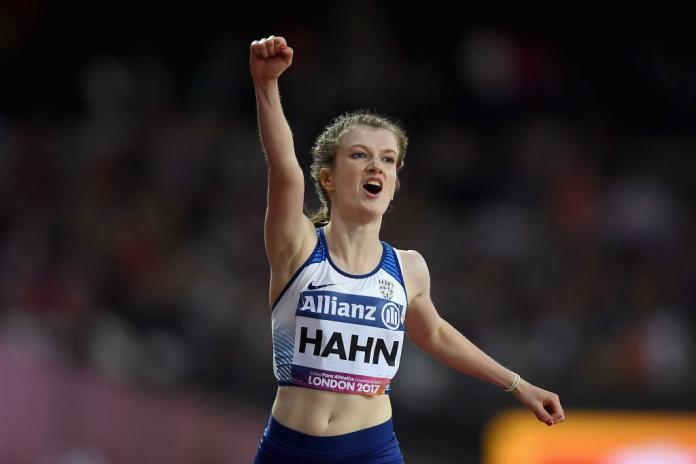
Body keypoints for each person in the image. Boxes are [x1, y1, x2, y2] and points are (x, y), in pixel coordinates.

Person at [250, 35, 565, 464]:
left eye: (387, 159)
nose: (376, 165)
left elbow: (433, 333)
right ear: (327, 177)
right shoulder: (298, 247)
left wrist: (518, 384)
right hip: (291, 448)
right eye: (359, 155)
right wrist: (266, 85)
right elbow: (284, 169)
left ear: (395, 182)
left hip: (369, 449)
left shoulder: (408, 268)